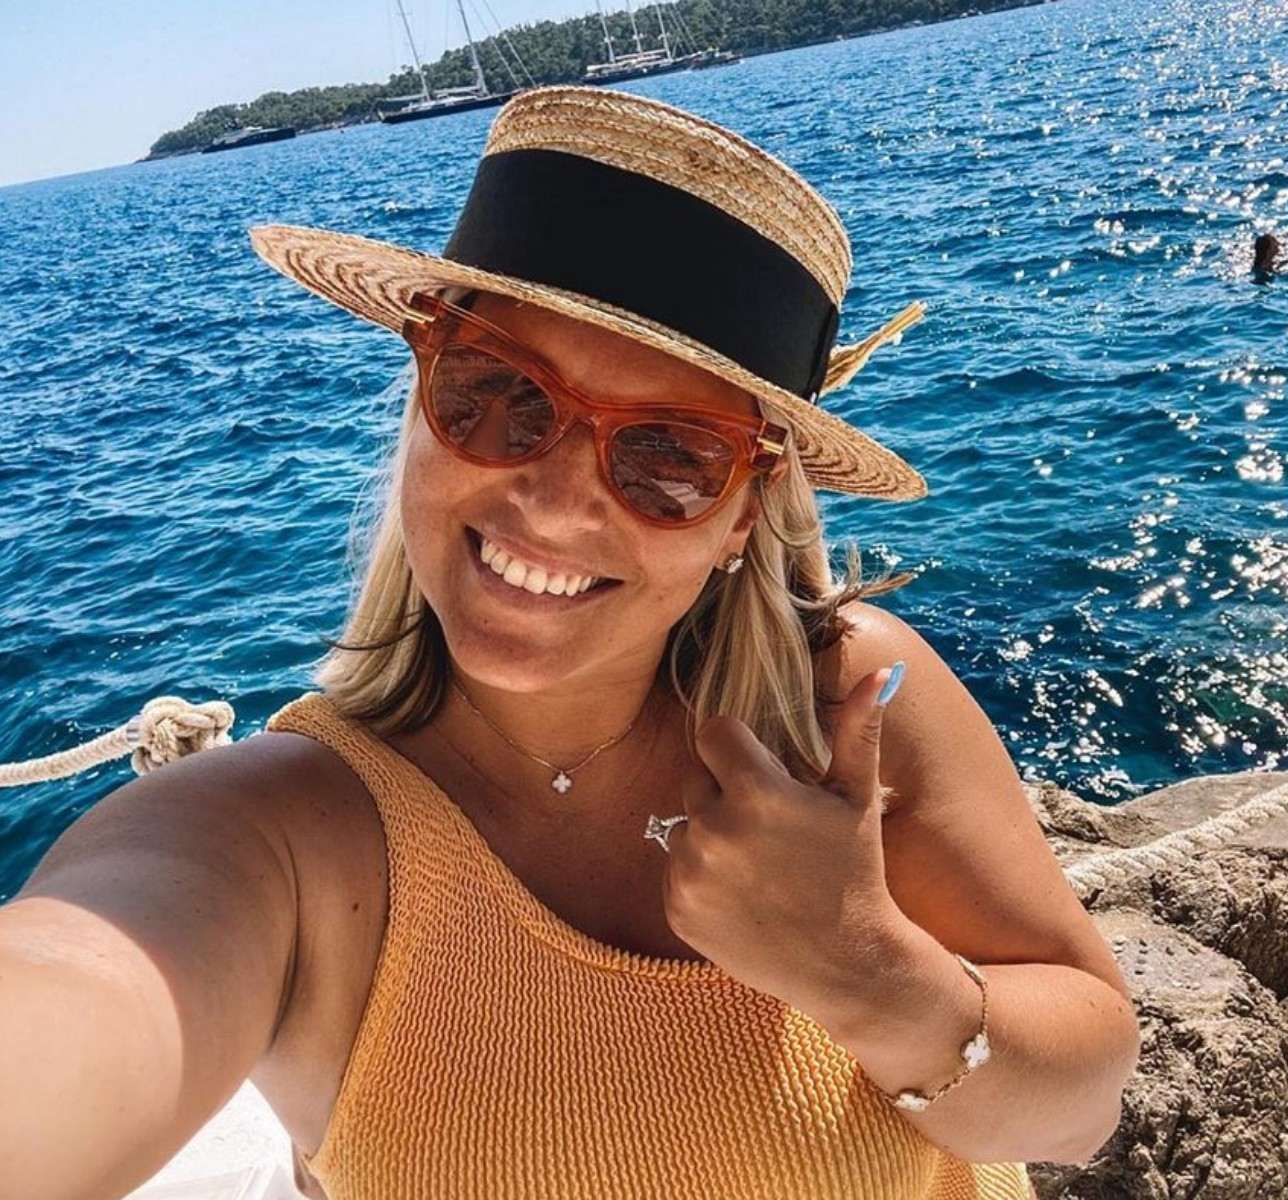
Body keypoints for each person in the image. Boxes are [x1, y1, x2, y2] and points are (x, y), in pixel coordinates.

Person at [0, 87, 1139, 1200]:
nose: (553, 503)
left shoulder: (841, 707)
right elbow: (83, 980)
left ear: (744, 516)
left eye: (670, 454)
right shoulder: (276, 837)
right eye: (498, 392)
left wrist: (867, 972)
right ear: (419, 390)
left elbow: (1082, 1112)